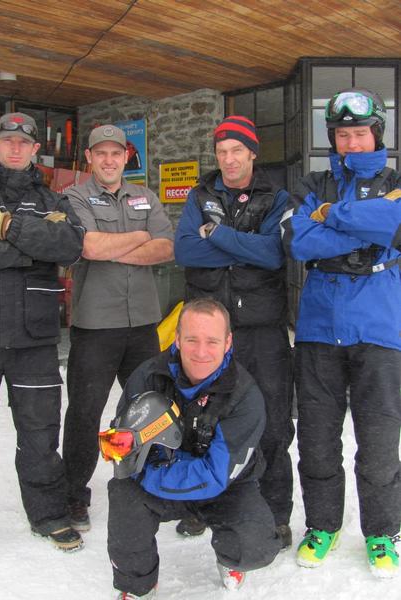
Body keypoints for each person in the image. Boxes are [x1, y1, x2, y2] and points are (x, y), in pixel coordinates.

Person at [0, 112, 85, 554]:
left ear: (33, 150)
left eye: (22, 143)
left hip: (34, 339)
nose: (14, 148)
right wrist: (30, 252)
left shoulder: (53, 200)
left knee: (41, 432)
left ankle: (49, 516)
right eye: (7, 140)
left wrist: (8, 229)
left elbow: (68, 246)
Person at [281, 88, 401, 578]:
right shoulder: (311, 181)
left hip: (379, 327)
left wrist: (331, 214)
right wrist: (367, 229)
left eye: (360, 132)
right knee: (317, 437)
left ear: (376, 134)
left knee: (378, 439)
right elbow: (298, 240)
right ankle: (323, 524)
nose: (351, 142)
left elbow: (396, 222)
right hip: (318, 329)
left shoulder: (396, 181)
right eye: (342, 134)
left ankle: (382, 531)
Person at [103, 298, 281, 598]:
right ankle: (137, 585)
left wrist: (148, 474)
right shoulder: (147, 377)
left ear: (228, 343)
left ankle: (231, 558)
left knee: (256, 546)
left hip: (225, 486)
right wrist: (122, 451)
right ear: (177, 339)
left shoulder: (245, 395)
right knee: (124, 495)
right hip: (160, 473)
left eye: (212, 341)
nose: (201, 352)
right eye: (191, 339)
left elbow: (214, 476)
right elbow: (119, 446)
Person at [174, 115, 294, 547]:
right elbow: (185, 249)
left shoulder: (276, 196)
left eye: (236, 151)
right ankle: (202, 505)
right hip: (209, 332)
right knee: (204, 417)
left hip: (261, 330)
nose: (228, 159)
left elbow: (274, 253)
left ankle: (276, 514)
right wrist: (240, 246)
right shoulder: (200, 193)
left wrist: (218, 234)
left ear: (252, 153)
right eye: (222, 151)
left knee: (274, 424)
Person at [62, 124, 174, 531]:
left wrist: (118, 246)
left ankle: (154, 482)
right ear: (89, 158)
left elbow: (166, 247)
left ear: (126, 157)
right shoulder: (74, 196)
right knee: (84, 413)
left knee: (152, 408)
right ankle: (74, 494)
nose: (109, 160)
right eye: (101, 153)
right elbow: (89, 246)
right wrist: (141, 235)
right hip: (96, 325)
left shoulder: (146, 196)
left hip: (143, 323)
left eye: (116, 153)